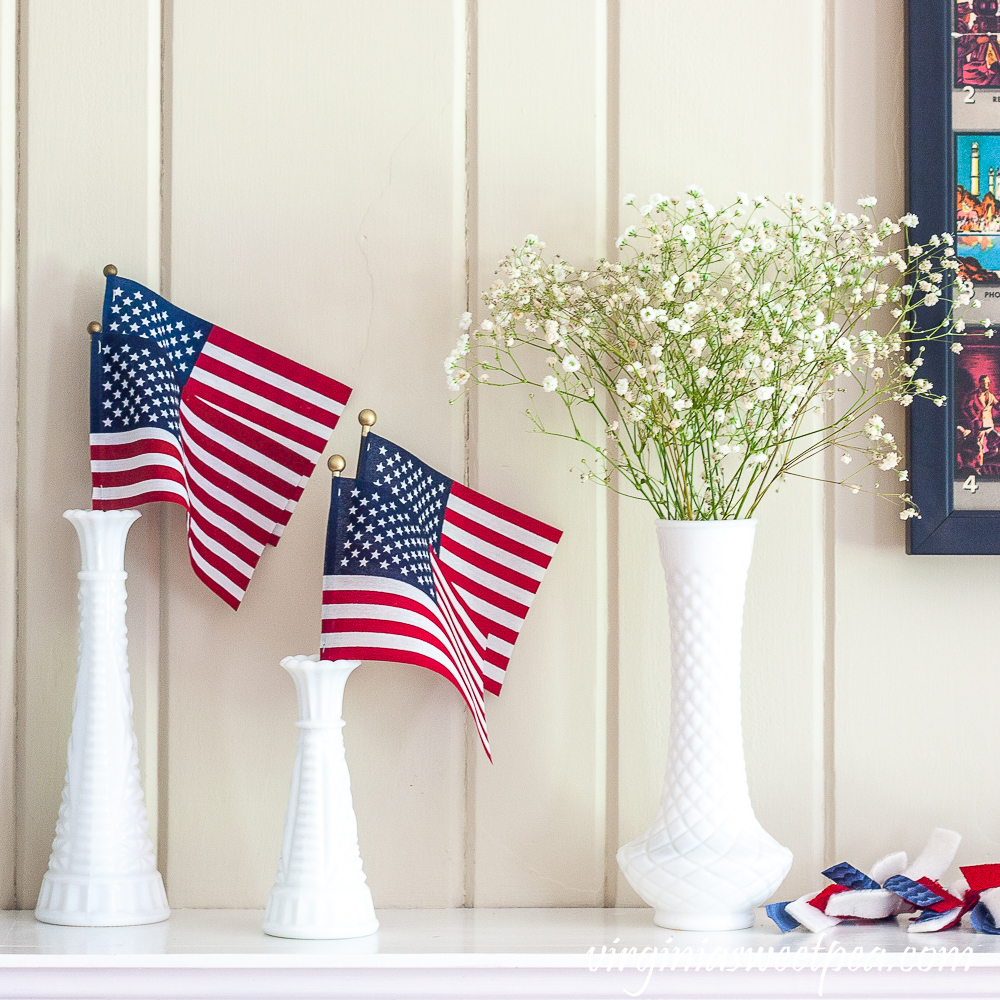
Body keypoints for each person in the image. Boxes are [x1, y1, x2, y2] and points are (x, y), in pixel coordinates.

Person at [959, 373, 1000, 471]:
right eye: (985, 383)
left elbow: (997, 406)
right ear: (980, 383)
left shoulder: (990, 396)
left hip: (989, 424)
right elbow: (966, 407)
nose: (987, 385)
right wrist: (974, 418)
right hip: (978, 425)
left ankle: (988, 464)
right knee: (978, 445)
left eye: (988, 383)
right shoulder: (973, 395)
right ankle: (978, 465)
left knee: (992, 443)